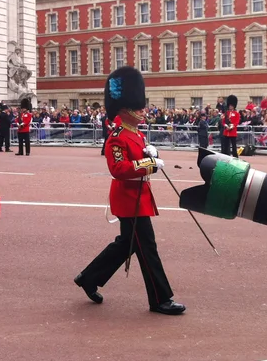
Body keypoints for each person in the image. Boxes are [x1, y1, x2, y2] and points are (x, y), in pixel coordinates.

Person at [74, 66, 185, 316]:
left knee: (127, 244)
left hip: (140, 197)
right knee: (147, 247)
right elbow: (118, 168)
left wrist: (152, 154)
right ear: (125, 109)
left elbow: (140, 160)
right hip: (128, 199)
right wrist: (149, 163)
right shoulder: (117, 136)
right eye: (138, 107)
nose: (143, 110)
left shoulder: (137, 134)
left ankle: (89, 278)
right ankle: (160, 299)